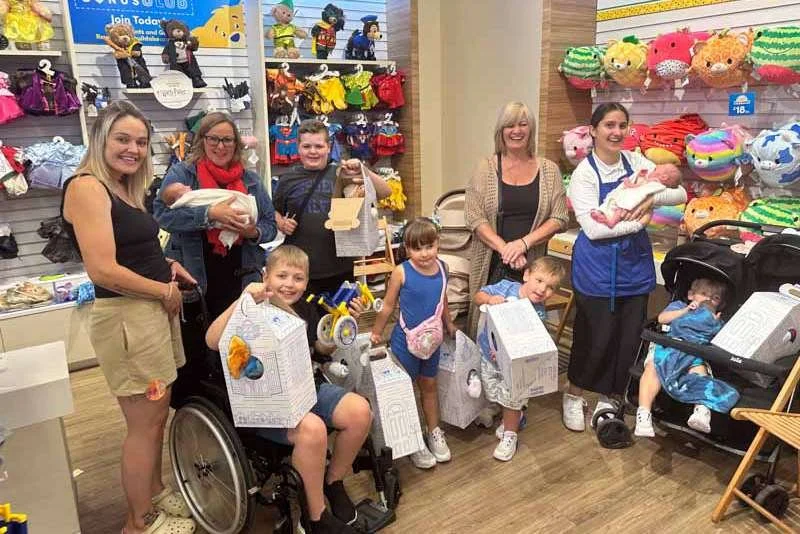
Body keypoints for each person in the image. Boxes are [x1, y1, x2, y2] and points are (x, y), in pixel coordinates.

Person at [61, 101, 197, 534]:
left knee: (156, 417)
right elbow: (102, 270)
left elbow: (130, 251)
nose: (133, 149)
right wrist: (162, 290)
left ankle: (154, 492)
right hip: (129, 318)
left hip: (147, 314)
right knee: (144, 424)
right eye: (123, 139)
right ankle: (138, 521)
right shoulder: (87, 187)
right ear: (101, 139)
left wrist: (166, 267)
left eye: (140, 142)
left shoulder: (121, 187)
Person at [205, 245, 369, 534]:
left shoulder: (305, 307)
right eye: (282, 276)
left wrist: (342, 328)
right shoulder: (250, 309)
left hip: (305, 387)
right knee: (313, 430)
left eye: (298, 278)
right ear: (265, 276)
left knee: (360, 412)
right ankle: (315, 518)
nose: (289, 284)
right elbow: (212, 340)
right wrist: (244, 298)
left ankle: (333, 481)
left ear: (306, 282)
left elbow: (320, 349)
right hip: (265, 401)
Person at [563, 103, 688, 433]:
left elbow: (679, 192)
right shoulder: (584, 174)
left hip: (633, 267)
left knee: (627, 338)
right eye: (609, 125)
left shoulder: (635, 162)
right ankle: (574, 394)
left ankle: (611, 396)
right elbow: (594, 230)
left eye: (622, 125)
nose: (616, 132)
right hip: (596, 269)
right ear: (593, 130)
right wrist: (638, 224)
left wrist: (649, 198)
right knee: (593, 336)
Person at [153, 112, 277, 320]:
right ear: (202, 140)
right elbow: (162, 215)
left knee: (239, 335)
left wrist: (253, 232)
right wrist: (209, 214)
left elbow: (271, 226)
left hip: (241, 274)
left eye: (227, 140)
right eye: (214, 139)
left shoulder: (251, 180)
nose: (221, 146)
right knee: (198, 336)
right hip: (193, 273)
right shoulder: (183, 174)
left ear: (236, 144)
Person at [465, 101, 569, 338]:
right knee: (486, 326)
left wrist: (523, 244)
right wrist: (506, 249)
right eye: (509, 125)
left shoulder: (549, 170)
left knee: (526, 331)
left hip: (531, 265)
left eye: (523, 124)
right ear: (500, 131)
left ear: (531, 129)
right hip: (490, 262)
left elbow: (560, 216)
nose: (516, 131)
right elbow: (473, 216)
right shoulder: (485, 167)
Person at [370, 218, 457, 469]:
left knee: (429, 385)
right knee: (405, 389)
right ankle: (412, 439)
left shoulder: (443, 268)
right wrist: (376, 332)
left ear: (438, 244)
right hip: (404, 341)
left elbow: (443, 299)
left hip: (433, 340)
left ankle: (434, 431)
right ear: (407, 249)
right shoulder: (401, 272)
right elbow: (388, 305)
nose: (424, 253)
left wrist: (449, 323)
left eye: (429, 246)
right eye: (417, 248)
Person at [272, 118, 392, 297]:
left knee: (341, 315)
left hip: (340, 269)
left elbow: (385, 191)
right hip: (299, 272)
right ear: (298, 148)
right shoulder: (287, 179)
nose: (313, 151)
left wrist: (362, 169)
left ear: (329, 147)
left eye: (319, 146)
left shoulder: (342, 173)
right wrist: (281, 222)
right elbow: (273, 212)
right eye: (307, 146)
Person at [473, 256, 566, 461]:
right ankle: (500, 408)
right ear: (526, 275)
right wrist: (490, 299)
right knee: (490, 386)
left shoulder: (539, 313)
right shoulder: (506, 287)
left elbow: (535, 341)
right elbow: (477, 296)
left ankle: (510, 433)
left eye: (550, 287)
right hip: (489, 355)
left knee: (513, 397)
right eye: (539, 280)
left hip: (515, 365)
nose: (542, 290)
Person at [635, 278, 739, 437]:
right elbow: (661, 319)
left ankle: (701, 411)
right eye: (703, 294)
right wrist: (686, 311)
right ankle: (644, 413)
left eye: (715, 297)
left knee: (700, 371)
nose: (708, 299)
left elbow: (721, 343)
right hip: (668, 347)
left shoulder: (716, 319)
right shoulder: (679, 306)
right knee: (653, 368)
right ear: (691, 295)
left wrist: (714, 324)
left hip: (694, 352)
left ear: (721, 304)